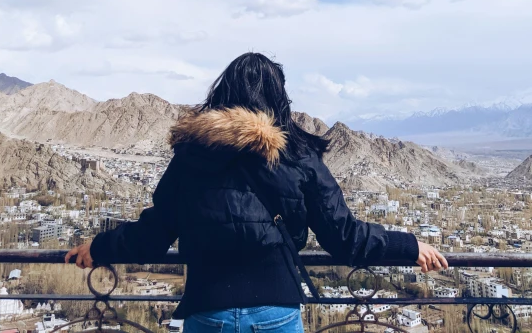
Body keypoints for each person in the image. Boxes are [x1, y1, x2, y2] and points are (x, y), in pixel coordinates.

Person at [66, 53, 447, 332]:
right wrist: (409, 247)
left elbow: (152, 236)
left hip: (207, 313)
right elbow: (343, 236)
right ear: (279, 99)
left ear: (222, 95)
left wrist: (98, 248)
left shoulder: (191, 156)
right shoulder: (298, 158)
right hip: (276, 313)